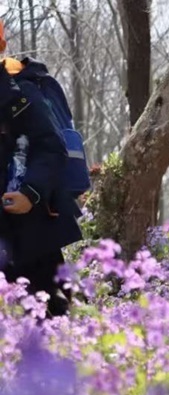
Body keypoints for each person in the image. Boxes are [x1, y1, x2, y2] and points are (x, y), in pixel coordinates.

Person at [0, 53, 82, 317]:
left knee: (47, 313)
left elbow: (52, 147)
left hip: (31, 224)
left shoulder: (19, 92)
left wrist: (30, 193)